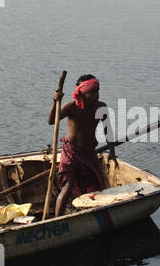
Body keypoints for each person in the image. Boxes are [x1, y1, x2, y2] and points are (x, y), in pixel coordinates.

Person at [47, 74, 113, 216]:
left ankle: (95, 214)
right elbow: (52, 120)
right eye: (91, 92)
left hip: (89, 152)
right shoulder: (72, 107)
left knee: (97, 184)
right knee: (68, 186)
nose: (95, 95)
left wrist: (112, 152)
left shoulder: (101, 107)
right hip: (71, 151)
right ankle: (58, 219)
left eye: (97, 91)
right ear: (82, 92)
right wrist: (55, 102)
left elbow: (108, 131)